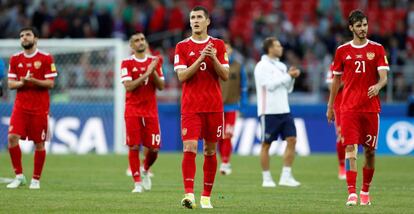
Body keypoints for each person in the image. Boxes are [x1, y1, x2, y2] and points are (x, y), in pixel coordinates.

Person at [327, 10, 388, 206]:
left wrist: (378, 86)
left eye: (365, 25)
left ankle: (365, 191)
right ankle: (351, 193)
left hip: (370, 108)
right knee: (350, 149)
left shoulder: (377, 49)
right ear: (351, 27)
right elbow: (336, 81)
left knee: (369, 152)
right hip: (349, 108)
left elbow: (384, 76)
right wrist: (330, 106)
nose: (363, 29)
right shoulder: (342, 51)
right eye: (359, 25)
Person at [174, 6, 229, 209]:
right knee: (190, 147)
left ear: (208, 21)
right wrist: (200, 58)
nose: (195, 20)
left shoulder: (219, 45)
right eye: (192, 18)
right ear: (190, 22)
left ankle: (206, 196)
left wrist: (213, 57)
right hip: (191, 107)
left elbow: (224, 75)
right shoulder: (181, 47)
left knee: (209, 150)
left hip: (213, 106)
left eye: (199, 17)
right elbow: (181, 76)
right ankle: (189, 194)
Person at [6, 27, 58, 189]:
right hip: (20, 107)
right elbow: (10, 84)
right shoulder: (14, 59)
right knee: (12, 138)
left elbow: (50, 83)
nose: (24, 38)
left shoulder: (46, 58)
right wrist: (22, 82)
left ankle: (36, 179)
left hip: (39, 108)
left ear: (36, 39)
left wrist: (33, 81)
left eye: (28, 35)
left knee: (39, 143)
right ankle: (19, 176)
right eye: (21, 36)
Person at [254, 37, 301, 188]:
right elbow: (269, 86)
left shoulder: (281, 66)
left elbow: (288, 89)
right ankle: (266, 178)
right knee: (266, 145)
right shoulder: (261, 66)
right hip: (268, 111)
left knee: (292, 140)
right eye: (277, 46)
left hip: (284, 109)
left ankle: (285, 177)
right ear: (269, 48)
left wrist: (291, 78)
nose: (281, 48)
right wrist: (288, 76)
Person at [121, 32, 165, 193]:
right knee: (133, 146)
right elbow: (128, 86)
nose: (140, 42)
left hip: (150, 112)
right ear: (132, 46)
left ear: (146, 43)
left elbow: (161, 86)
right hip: (132, 110)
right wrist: (146, 73)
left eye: (142, 39)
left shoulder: (155, 62)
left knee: (154, 149)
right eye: (136, 41)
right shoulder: (126, 63)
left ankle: (145, 169)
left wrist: (152, 71)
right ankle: (137, 183)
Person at [218, 40, 248, 175]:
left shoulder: (238, 66)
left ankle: (225, 162)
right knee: (219, 137)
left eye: (228, 48)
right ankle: (224, 160)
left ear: (231, 50)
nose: (226, 51)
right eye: (223, 49)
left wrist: (244, 104)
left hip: (232, 106)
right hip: (217, 107)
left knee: (228, 135)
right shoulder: (215, 65)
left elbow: (244, 86)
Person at [326, 64, 346, 180]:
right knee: (341, 136)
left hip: (356, 103)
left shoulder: (358, 60)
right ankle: (342, 166)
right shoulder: (334, 65)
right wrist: (348, 80)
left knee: (356, 137)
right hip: (340, 105)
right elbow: (330, 86)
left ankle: (352, 167)